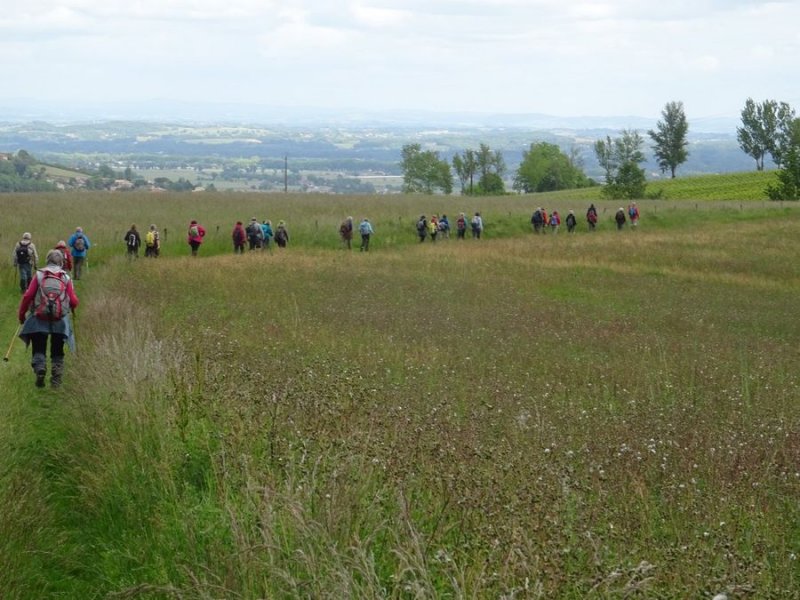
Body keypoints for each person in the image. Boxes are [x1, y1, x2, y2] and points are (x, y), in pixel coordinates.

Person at [17, 249, 79, 388]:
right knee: (57, 350)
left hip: (39, 317)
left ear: (47, 260)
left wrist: (22, 315)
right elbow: (74, 301)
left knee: (39, 346)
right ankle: (56, 380)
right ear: (61, 263)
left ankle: (40, 368)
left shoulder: (39, 275)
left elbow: (28, 296)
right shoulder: (66, 277)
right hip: (59, 320)